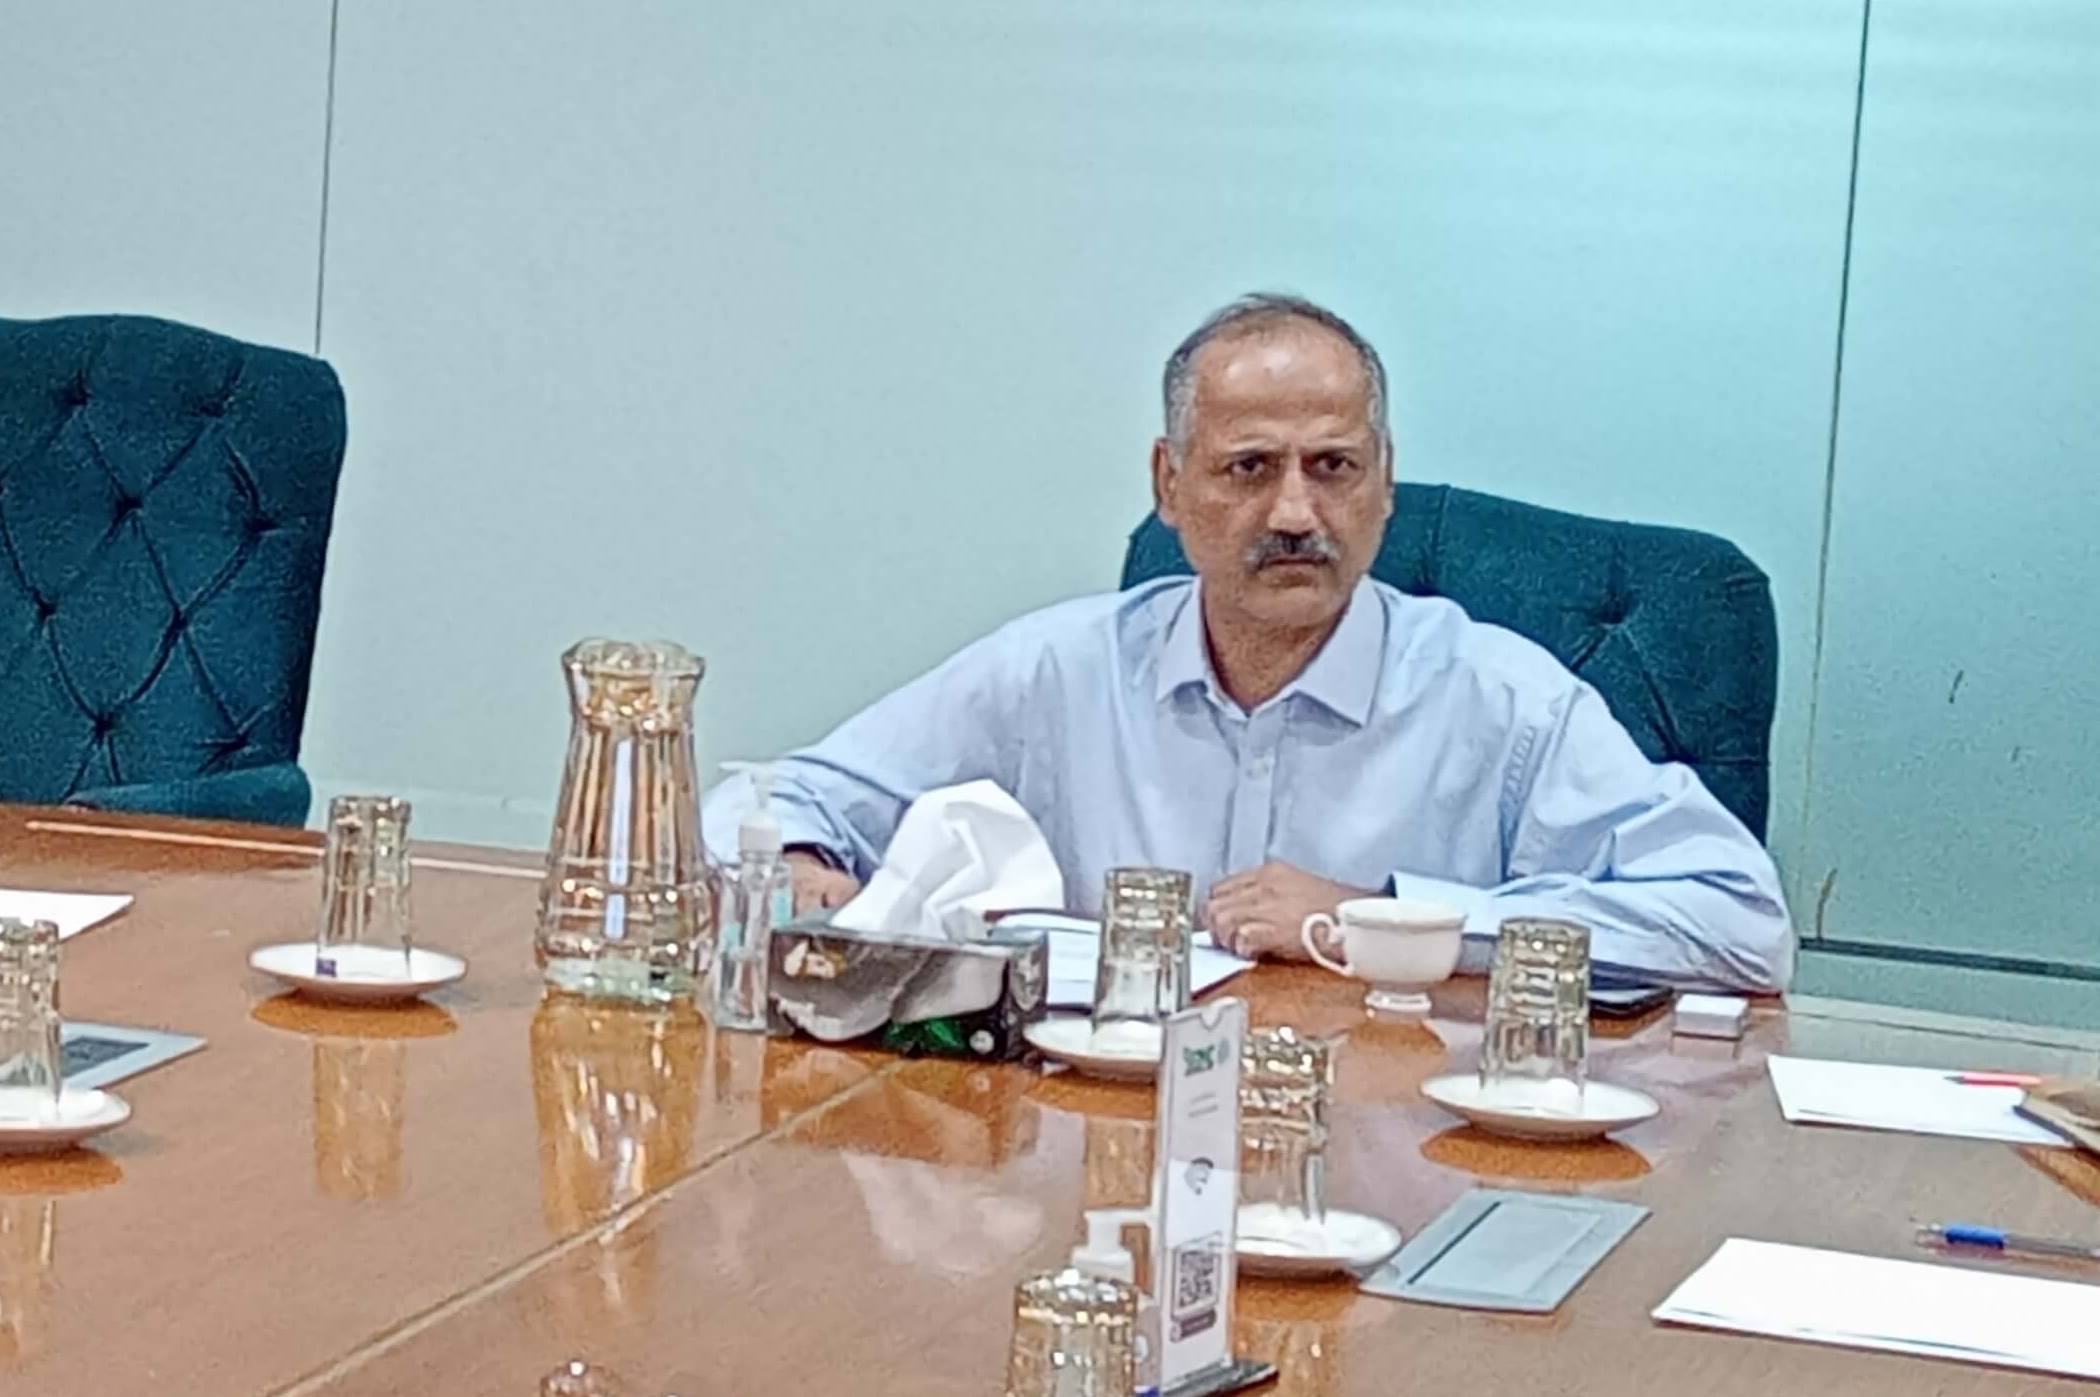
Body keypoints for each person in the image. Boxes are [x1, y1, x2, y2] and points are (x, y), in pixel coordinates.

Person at [707, 293, 1793, 992]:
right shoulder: (1059, 670)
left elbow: (1739, 921)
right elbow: (766, 804)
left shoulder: (1501, 700)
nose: (1295, 513)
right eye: (1248, 468)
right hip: (1100, 1146)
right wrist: (799, 870)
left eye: (1334, 467)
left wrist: (1385, 922)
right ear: (1169, 484)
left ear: (1384, 484)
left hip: (1396, 1149)